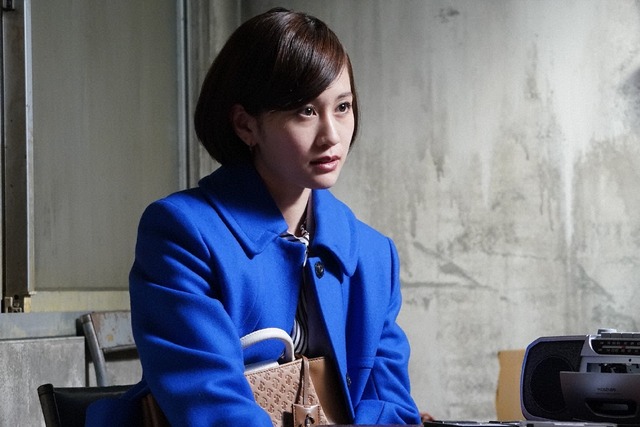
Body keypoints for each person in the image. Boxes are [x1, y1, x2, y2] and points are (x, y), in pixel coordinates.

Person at [86, 7, 421, 426]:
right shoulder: (181, 232)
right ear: (246, 125)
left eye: (342, 107)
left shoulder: (373, 255)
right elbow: (212, 405)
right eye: (306, 111)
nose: (332, 135)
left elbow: (391, 406)